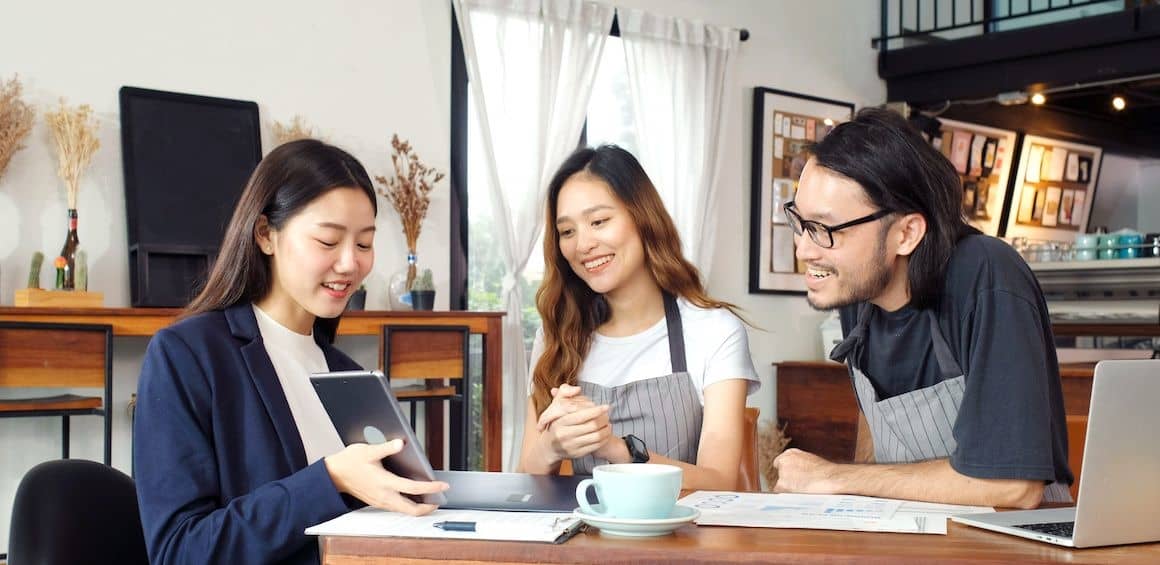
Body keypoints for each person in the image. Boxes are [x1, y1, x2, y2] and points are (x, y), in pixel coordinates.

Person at [134, 139, 449, 564]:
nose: (349, 264)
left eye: (363, 244)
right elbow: (180, 550)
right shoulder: (188, 355)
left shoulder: (348, 376)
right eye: (328, 241)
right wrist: (330, 478)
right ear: (266, 234)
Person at [772, 108, 1073, 508]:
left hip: (1011, 544)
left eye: (825, 230)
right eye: (801, 223)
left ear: (907, 233)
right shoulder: (858, 292)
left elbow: (1013, 486)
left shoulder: (985, 275)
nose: (804, 250)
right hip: (910, 534)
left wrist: (833, 477)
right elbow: (875, 428)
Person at [517, 145, 760, 490]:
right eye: (567, 231)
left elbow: (719, 481)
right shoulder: (557, 334)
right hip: (584, 536)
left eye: (599, 222)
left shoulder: (714, 331)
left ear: (642, 218)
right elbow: (525, 482)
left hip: (684, 539)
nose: (582, 244)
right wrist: (551, 446)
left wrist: (616, 449)